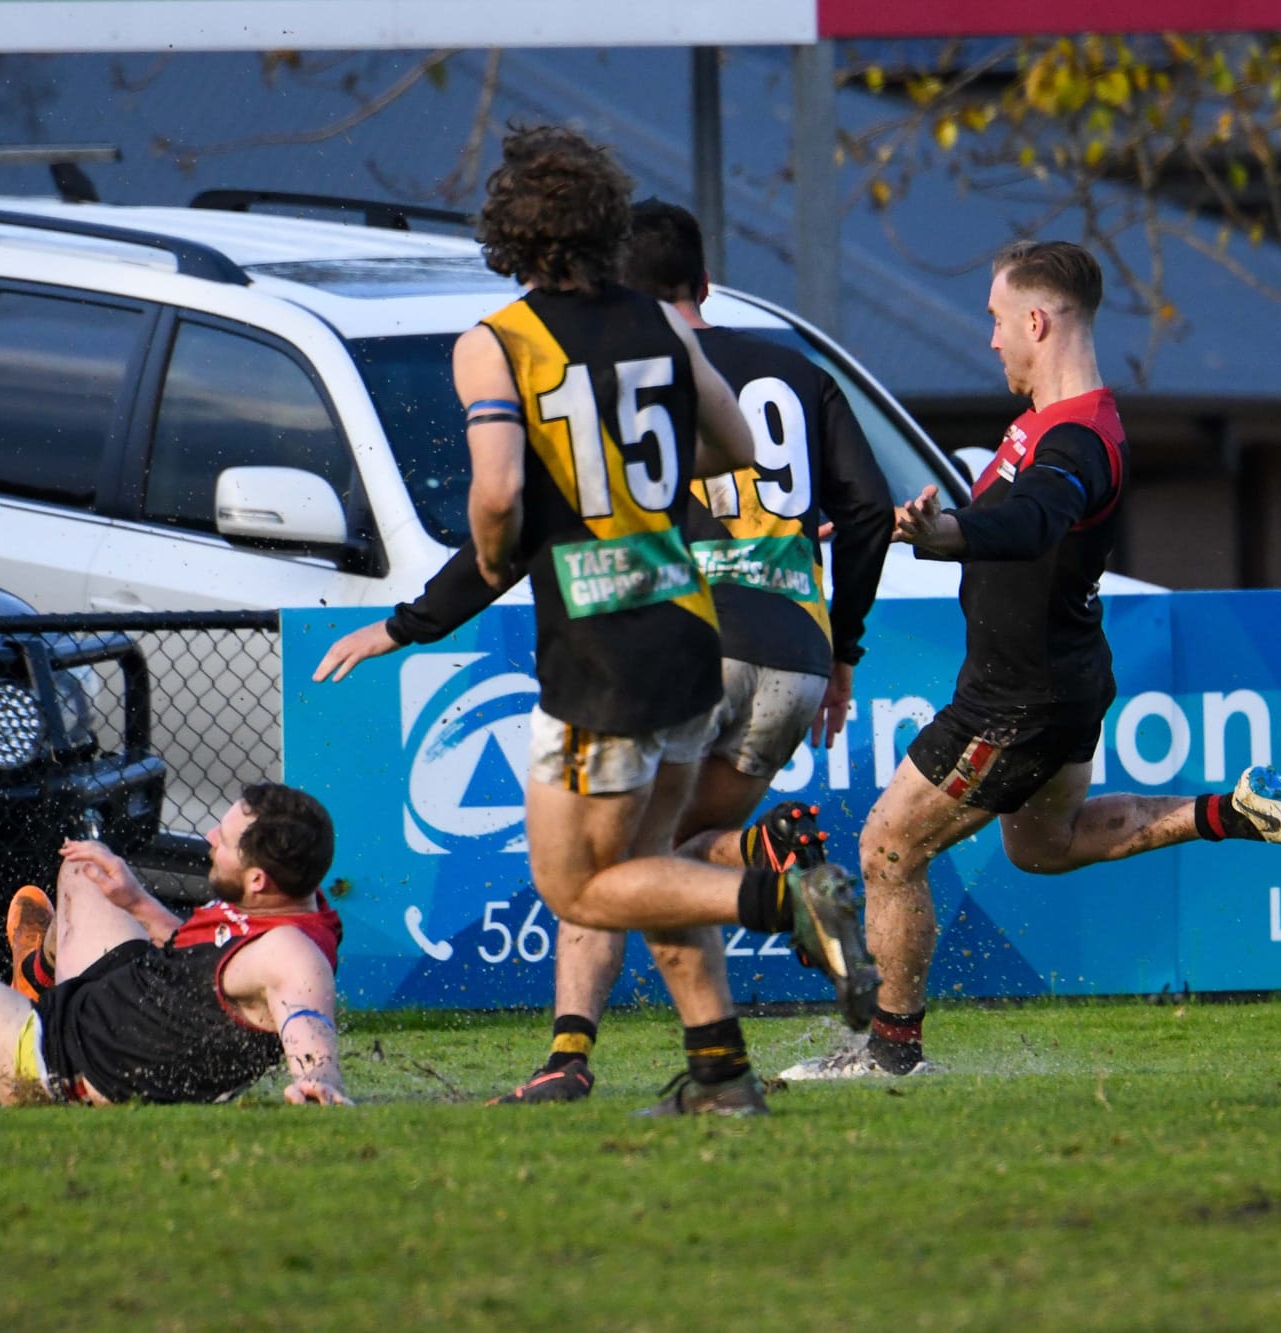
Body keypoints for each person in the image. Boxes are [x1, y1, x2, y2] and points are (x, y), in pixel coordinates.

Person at [313, 126, 877, 1116]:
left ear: (508, 232)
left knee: (578, 888)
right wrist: (639, 480)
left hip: (599, 654)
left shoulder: (495, 343)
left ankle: (783, 899)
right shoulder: (662, 328)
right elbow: (735, 443)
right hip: (690, 629)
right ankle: (719, 1075)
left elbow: (495, 497)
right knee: (647, 871)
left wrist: (492, 556)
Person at [784, 239, 1281, 1082]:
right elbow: (990, 529)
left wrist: (944, 528)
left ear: (1036, 320)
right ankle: (1235, 810)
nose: (990, 340)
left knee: (886, 850)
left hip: (1013, 699)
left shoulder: (1079, 441)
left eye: (995, 321)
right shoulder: (1040, 426)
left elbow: (1028, 527)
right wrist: (910, 527)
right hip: (1059, 678)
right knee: (1044, 844)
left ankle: (891, 1054)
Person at [474, 198, 898, 1103]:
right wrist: (844, 645)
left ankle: (569, 1053)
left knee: (619, 861)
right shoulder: (795, 362)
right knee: (678, 848)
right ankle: (726, 1037)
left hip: (683, 633)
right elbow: (866, 509)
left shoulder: (633, 363)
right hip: (794, 649)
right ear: (706, 283)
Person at [0, 782, 352, 1107]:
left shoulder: (292, 953)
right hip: (119, 997)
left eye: (224, 841)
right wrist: (136, 903)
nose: (209, 837)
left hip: (56, 1059)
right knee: (86, 869)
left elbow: (308, 1019)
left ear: (257, 880)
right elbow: (208, 968)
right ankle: (35, 973)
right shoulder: (288, 895)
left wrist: (316, 1081)